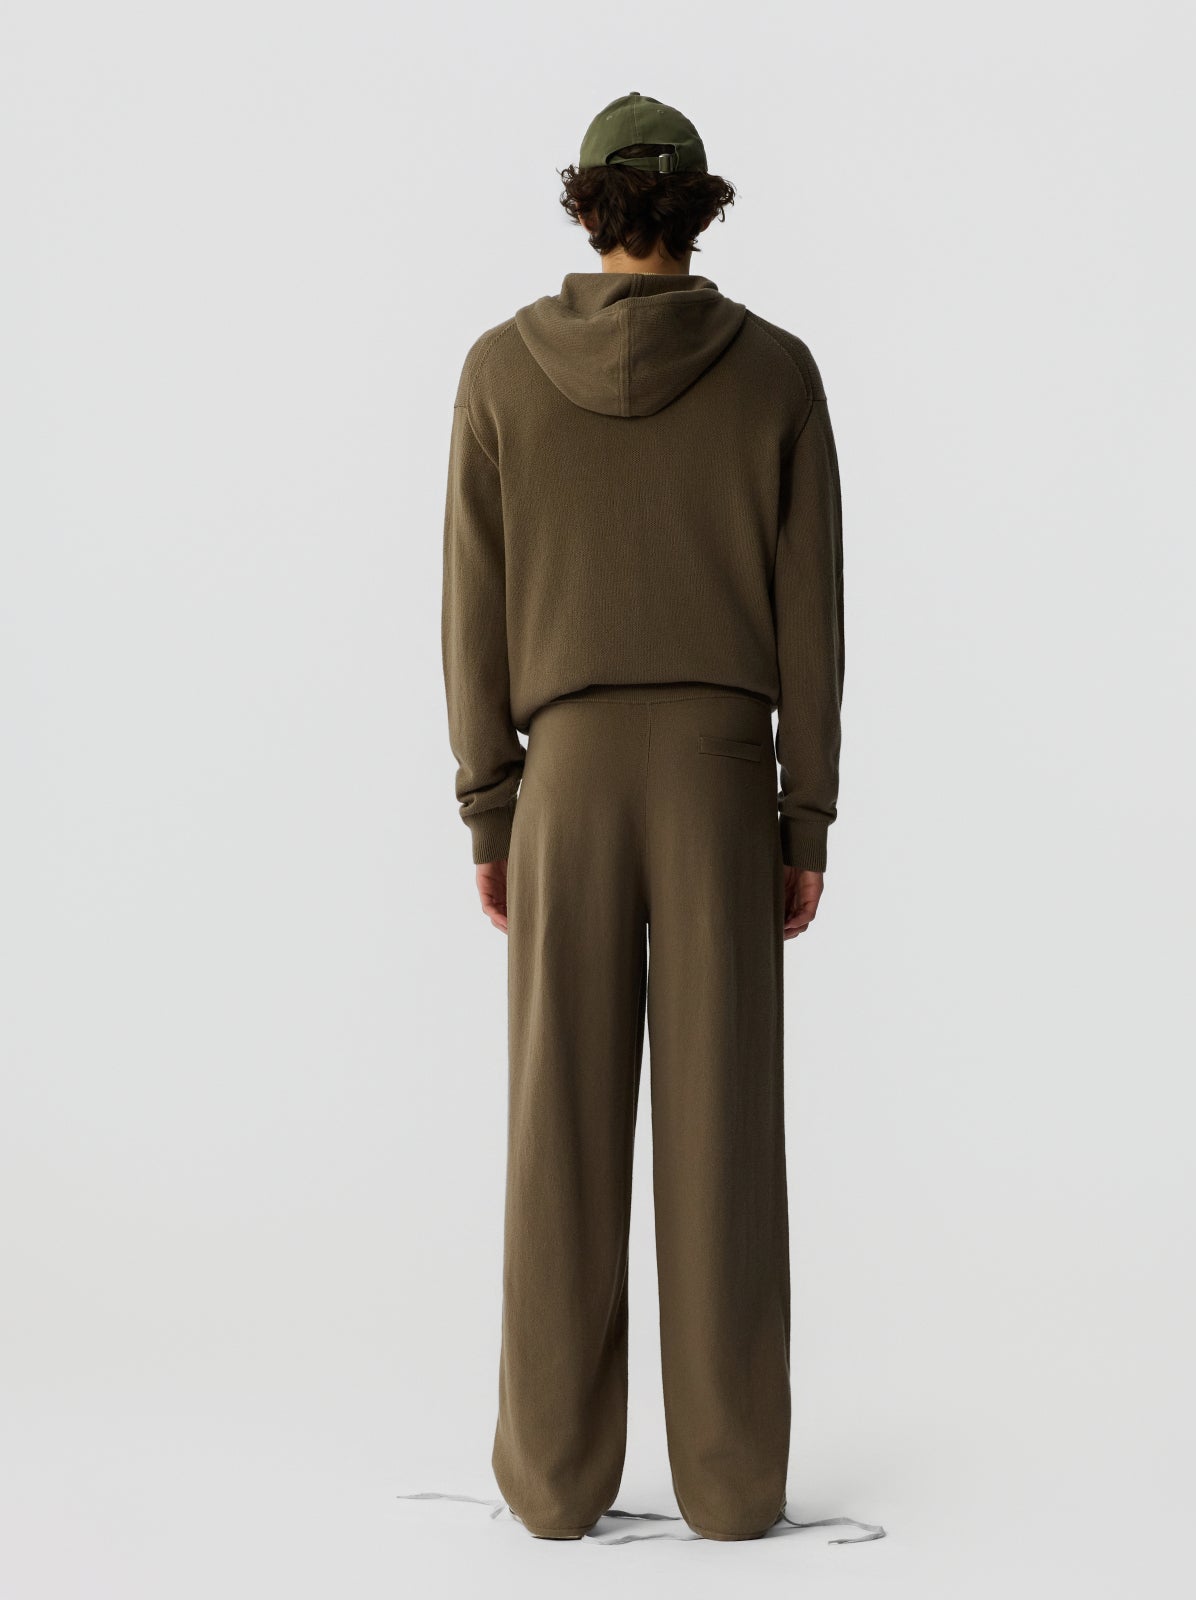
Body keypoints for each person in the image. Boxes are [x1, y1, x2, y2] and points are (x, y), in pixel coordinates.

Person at [441, 90, 845, 1542]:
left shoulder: (500, 372)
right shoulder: (778, 374)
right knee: (725, 1129)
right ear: (699, 213)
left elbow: (471, 613)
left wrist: (492, 808)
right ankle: (733, 1489)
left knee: (558, 1129)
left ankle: (554, 1484)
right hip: (723, 780)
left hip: (566, 781)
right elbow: (814, 617)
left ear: (588, 207)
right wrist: (803, 819)